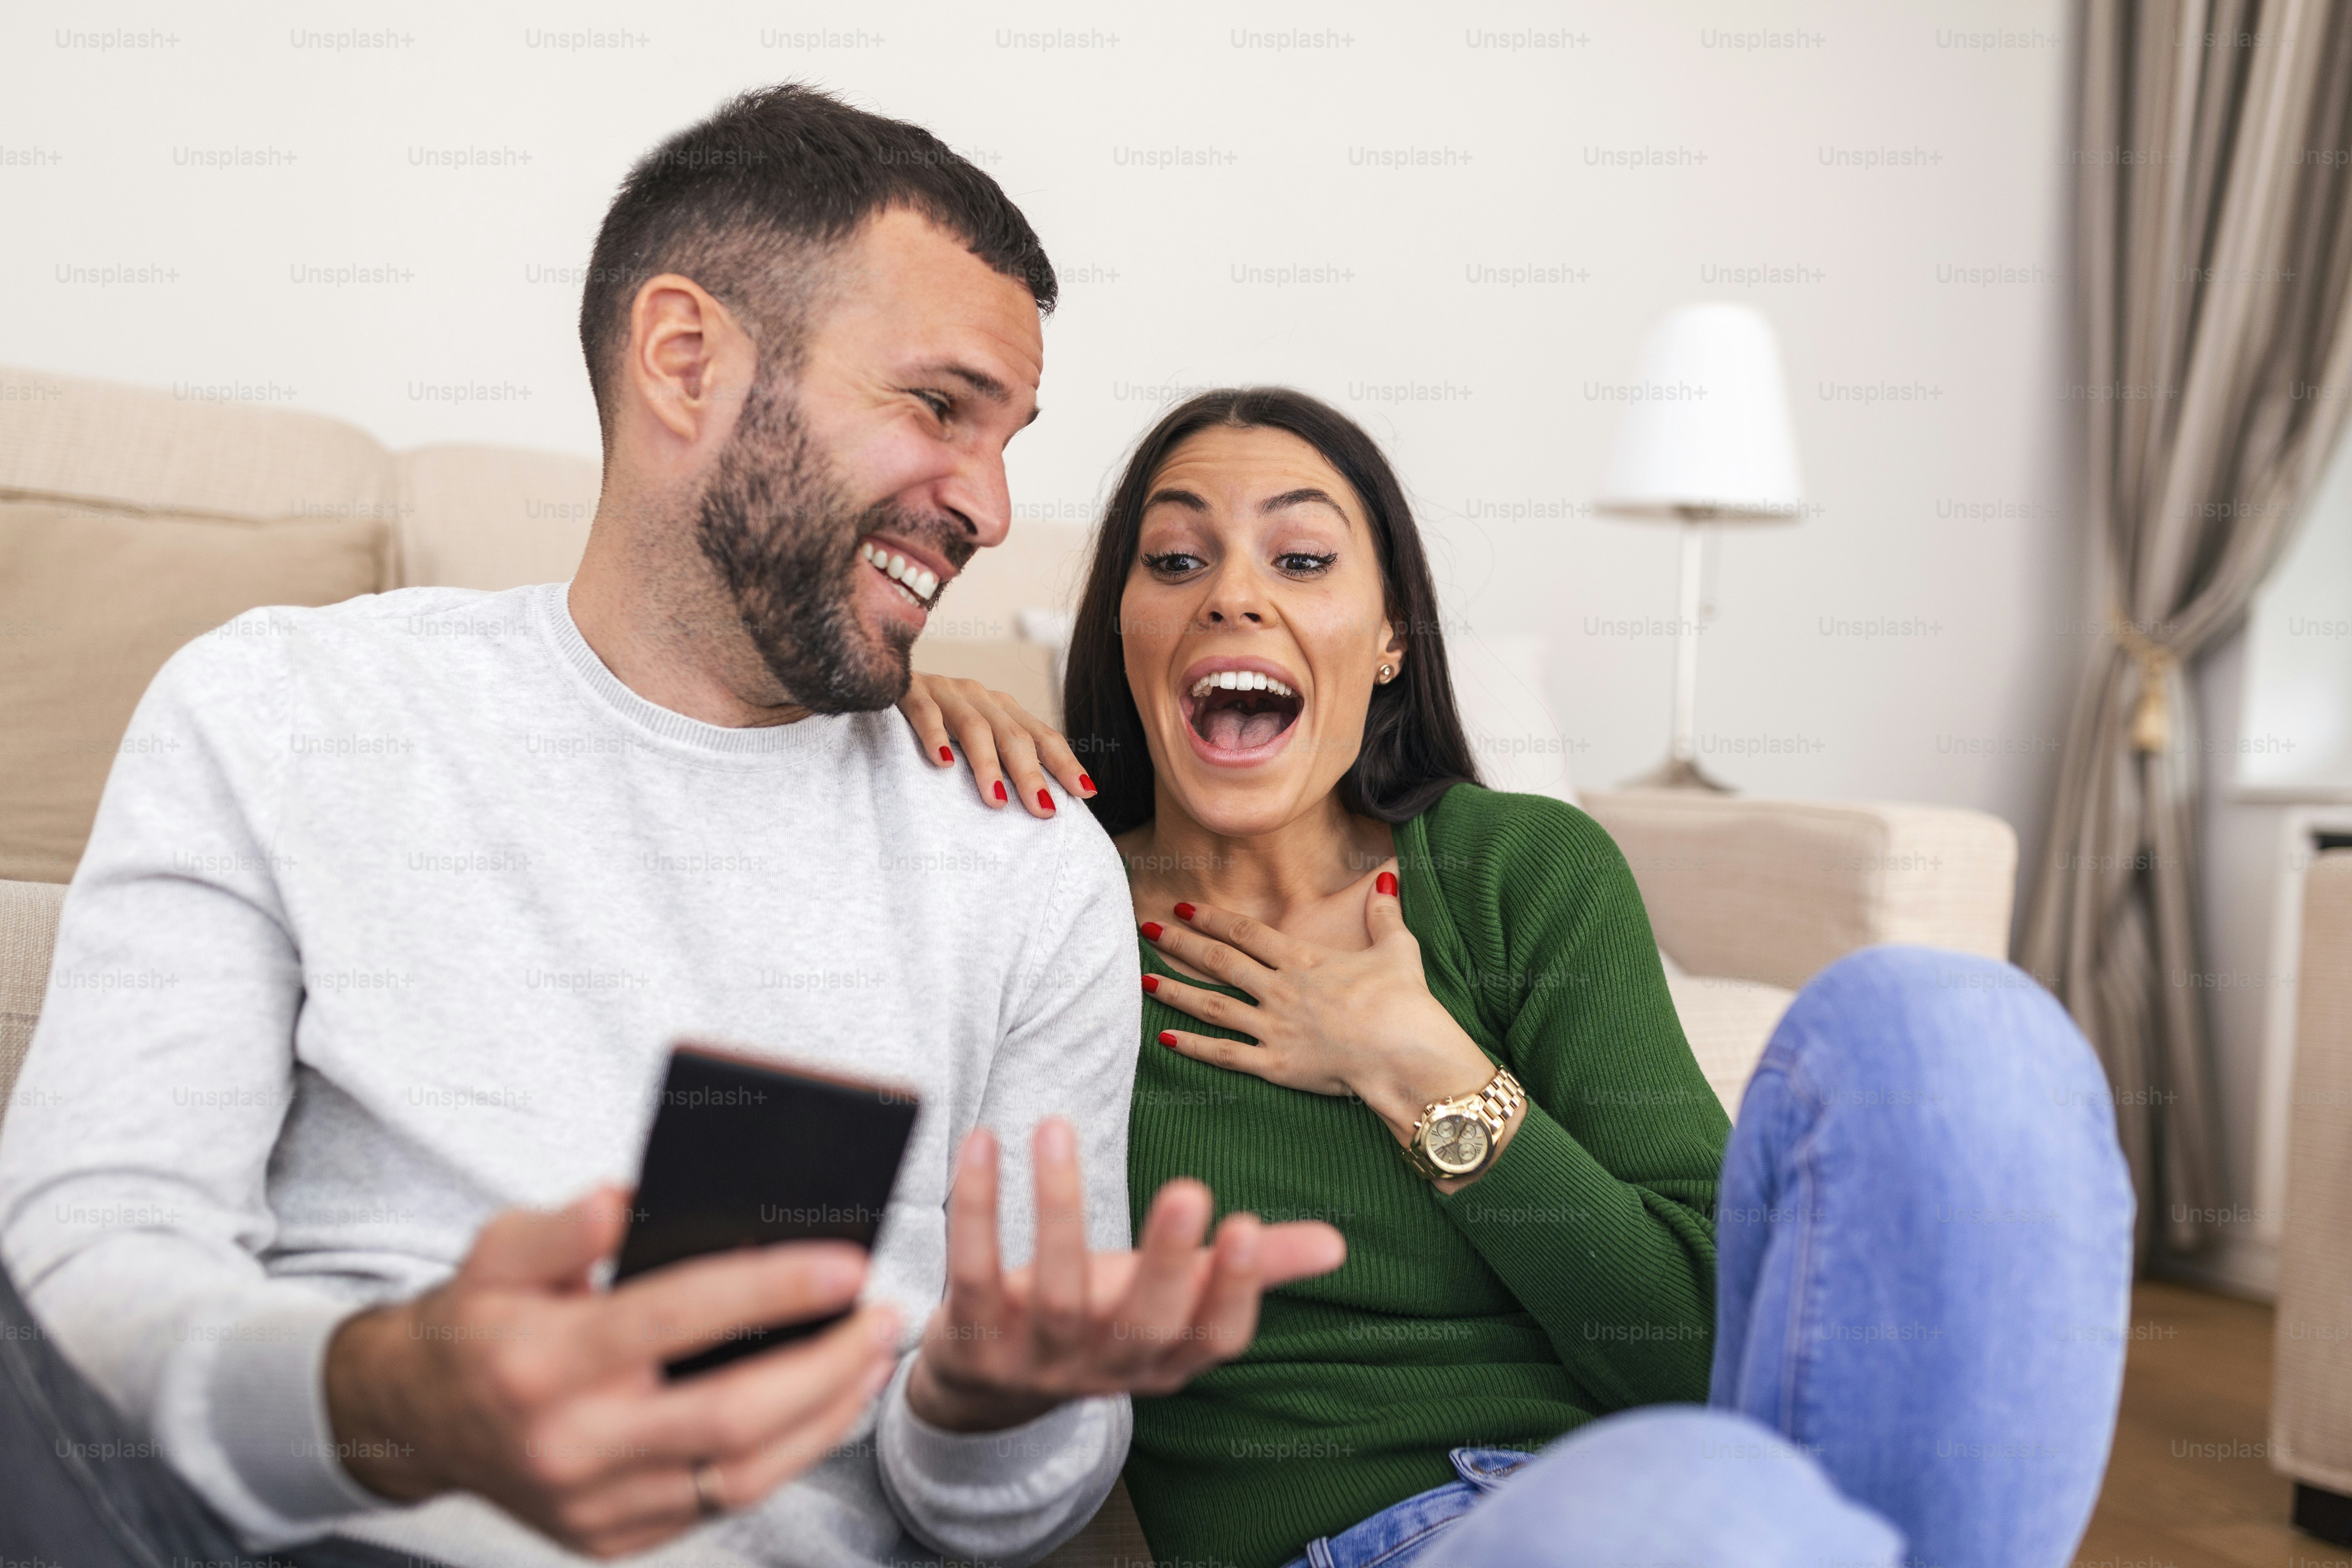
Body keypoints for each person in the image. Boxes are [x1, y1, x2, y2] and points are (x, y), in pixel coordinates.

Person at [0, 89, 1342, 1568]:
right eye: (940, 407)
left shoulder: (1016, 862)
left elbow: (1012, 1503)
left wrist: (983, 1405)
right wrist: (393, 1399)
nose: (994, 504)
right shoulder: (281, 705)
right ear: (687, 362)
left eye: (1012, 435)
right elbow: (85, 1269)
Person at [896, 387, 2138, 1568]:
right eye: (1174, 562)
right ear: (1126, 632)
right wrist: (889, 714)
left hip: (1685, 1499)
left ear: (1388, 641)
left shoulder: (1521, 872)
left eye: (1304, 559)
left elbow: (1704, 1357)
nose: (1232, 596)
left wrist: (1428, 1073)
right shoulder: (1050, 910)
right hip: (1389, 1537)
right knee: (1705, 1509)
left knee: (1951, 1024)